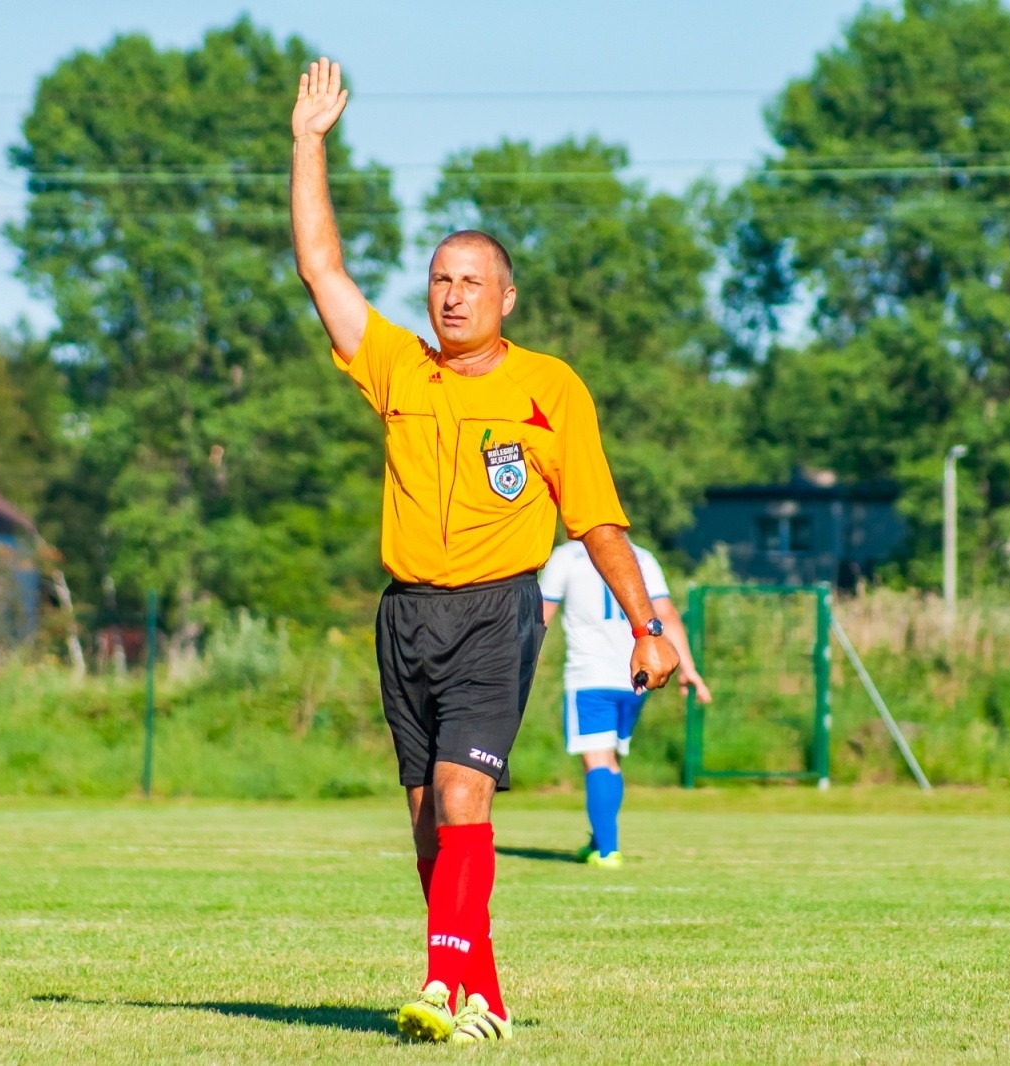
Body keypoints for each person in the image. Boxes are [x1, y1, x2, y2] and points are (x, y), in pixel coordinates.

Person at [290, 58, 680, 1044]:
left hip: (493, 610)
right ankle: (484, 994)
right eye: (438, 280)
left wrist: (649, 624)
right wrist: (308, 142)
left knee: (465, 795)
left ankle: (438, 979)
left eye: (471, 281)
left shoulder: (551, 389)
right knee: (430, 820)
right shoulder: (395, 366)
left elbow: (596, 520)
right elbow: (322, 271)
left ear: (506, 296)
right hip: (404, 613)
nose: (451, 296)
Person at [538, 540, 711, 867]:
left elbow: (541, 616)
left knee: (598, 761)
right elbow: (667, 616)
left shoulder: (567, 557)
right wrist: (688, 669)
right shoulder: (641, 557)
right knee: (611, 760)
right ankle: (598, 840)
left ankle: (607, 850)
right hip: (636, 674)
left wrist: (521, 666)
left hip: (590, 676)